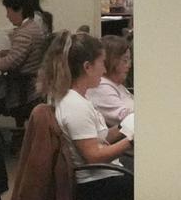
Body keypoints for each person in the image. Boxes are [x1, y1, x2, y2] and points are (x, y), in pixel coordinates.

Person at [47, 32, 131, 165]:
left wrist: (125, 126)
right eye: (102, 63)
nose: (104, 70)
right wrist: (131, 141)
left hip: (108, 169)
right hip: (102, 176)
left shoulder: (78, 98)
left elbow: (99, 138)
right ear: (87, 67)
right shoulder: (75, 105)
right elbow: (94, 157)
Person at [0, 0, 51, 119]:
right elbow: (20, 54)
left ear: (19, 10)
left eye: (8, 11)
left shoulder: (25, 33)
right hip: (29, 85)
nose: (7, 16)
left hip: (22, 89)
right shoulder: (32, 27)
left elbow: (8, 64)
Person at [87, 35, 135, 130]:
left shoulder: (117, 85)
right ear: (111, 61)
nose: (129, 65)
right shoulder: (101, 86)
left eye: (129, 60)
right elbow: (122, 118)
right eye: (125, 60)